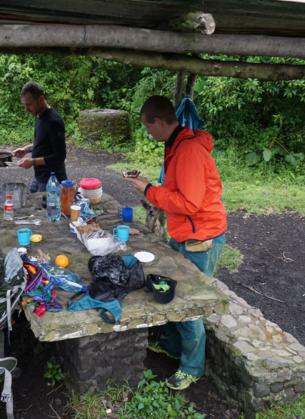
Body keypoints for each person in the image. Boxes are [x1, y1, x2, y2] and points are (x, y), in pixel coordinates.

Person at [124, 95, 227, 390]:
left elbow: (191, 203)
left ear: (158, 122)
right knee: (173, 289)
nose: (147, 133)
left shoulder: (189, 150)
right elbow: (179, 190)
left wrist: (148, 189)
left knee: (189, 301)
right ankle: (171, 345)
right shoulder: (177, 144)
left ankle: (193, 367)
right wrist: (151, 186)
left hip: (201, 235)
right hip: (186, 232)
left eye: (147, 127)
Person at [12, 81, 67, 193]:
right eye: (25, 105)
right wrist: (26, 149)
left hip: (52, 180)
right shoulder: (39, 114)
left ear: (41, 99)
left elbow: (60, 155)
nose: (26, 109)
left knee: (42, 209)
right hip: (39, 177)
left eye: (29, 104)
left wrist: (32, 162)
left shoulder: (54, 121)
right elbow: (44, 143)